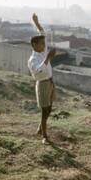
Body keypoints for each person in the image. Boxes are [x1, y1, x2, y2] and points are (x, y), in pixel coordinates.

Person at [28, 13, 56, 145]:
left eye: (44, 43)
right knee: (45, 110)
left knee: (49, 108)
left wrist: (37, 22)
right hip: (43, 84)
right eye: (41, 44)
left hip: (50, 82)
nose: (44, 45)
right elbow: (38, 71)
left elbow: (42, 32)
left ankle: (40, 128)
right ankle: (44, 135)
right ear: (34, 45)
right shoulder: (33, 59)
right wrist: (48, 58)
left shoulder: (42, 51)